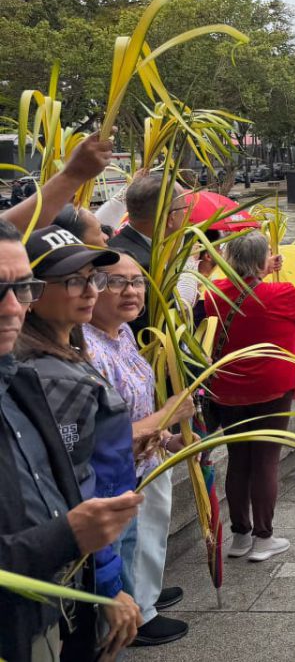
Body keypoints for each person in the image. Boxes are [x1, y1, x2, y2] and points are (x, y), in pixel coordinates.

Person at [0, 219, 144, 662]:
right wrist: (106, 583)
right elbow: (76, 483)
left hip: (80, 560)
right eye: (72, 281)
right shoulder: (44, 375)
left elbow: (57, 474)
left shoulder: (30, 372)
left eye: (93, 278)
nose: (90, 291)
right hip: (74, 566)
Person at [83, 252, 194, 647]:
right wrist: (168, 415)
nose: (130, 291)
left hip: (140, 466)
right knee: (121, 552)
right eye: (117, 281)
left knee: (140, 544)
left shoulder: (123, 333)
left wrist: (169, 439)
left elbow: (138, 410)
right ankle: (129, 624)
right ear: (93, 287)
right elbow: (103, 435)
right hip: (111, 478)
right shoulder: (86, 349)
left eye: (137, 281)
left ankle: (141, 604)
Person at [203, 230, 295, 562]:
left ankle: (240, 535)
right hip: (271, 388)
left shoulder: (215, 293)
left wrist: (260, 270)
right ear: (261, 261)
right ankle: (263, 537)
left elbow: (245, 291)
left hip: (229, 388)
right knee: (265, 460)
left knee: (238, 459)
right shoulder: (279, 293)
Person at [107, 172, 189, 337]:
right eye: (184, 209)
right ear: (171, 218)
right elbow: (156, 337)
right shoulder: (147, 267)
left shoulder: (113, 246)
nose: (187, 215)